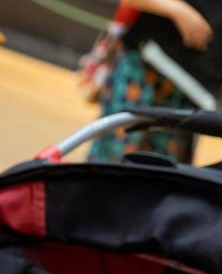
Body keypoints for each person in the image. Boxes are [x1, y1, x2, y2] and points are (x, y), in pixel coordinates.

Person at [89, 0, 220, 163]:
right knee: (114, 159)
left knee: (165, 169)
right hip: (145, 66)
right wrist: (177, 10)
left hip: (194, 90)